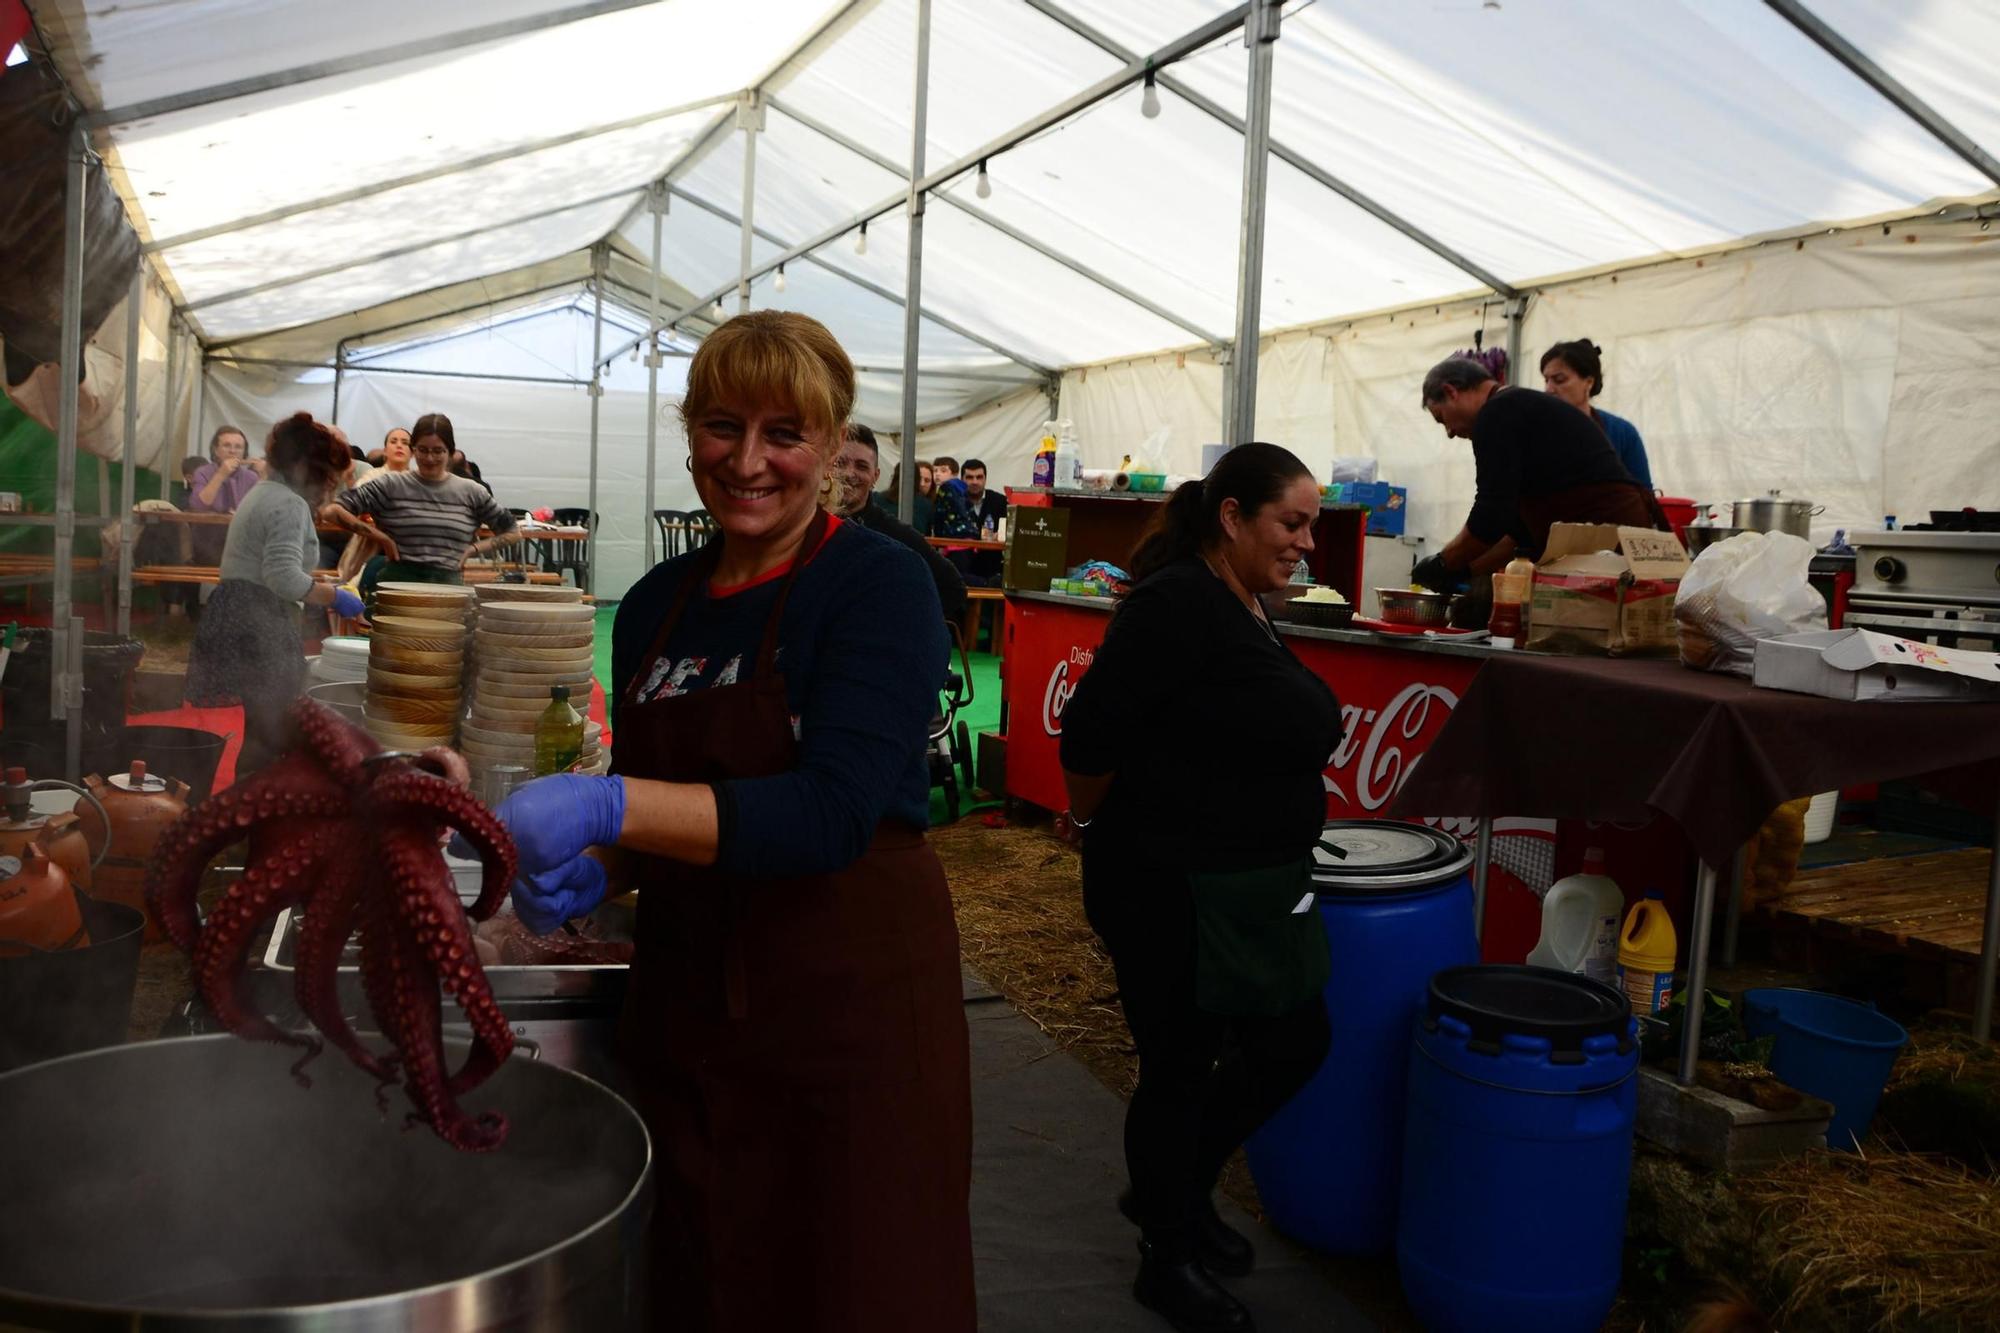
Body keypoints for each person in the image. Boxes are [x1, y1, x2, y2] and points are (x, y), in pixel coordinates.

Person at [474, 311, 973, 1331]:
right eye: (719, 426)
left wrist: (609, 802)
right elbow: (688, 797)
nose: (747, 462)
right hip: (688, 1005)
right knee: (698, 1278)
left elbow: (832, 811)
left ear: (832, 449)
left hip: (844, 1012)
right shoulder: (659, 600)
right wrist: (605, 863)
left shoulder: (878, 586)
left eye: (783, 434)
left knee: (848, 1284)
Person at [1058, 443, 1343, 1333]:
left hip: (1242, 887)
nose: (1305, 543)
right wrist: (1108, 832)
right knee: (1180, 1064)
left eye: (1311, 526)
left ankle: (1168, 1194)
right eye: (1290, 523)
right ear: (1232, 516)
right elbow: (1088, 743)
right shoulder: (1179, 601)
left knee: (1294, 1040)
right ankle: (1166, 1256)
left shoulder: (1243, 601)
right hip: (1169, 884)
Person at [185, 413, 366, 774]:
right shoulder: (288, 503)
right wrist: (334, 597)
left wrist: (318, 586)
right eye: (328, 474)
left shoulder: (264, 492)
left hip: (238, 610)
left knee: (259, 728)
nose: (331, 485)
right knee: (268, 732)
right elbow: (282, 577)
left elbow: (276, 565)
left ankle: (242, 807)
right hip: (257, 619)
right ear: (304, 467)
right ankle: (252, 812)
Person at [1412, 355, 1666, 591]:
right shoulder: (1519, 404)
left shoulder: (1496, 413)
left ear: (1450, 391)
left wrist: (1442, 562)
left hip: (1603, 546)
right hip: (1619, 539)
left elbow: (1491, 514)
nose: (1449, 432)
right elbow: (1516, 533)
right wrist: (1464, 572)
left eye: (1441, 418)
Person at [324, 412, 520, 597]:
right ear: (413, 450)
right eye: (423, 450)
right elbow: (332, 511)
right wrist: (380, 537)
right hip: (396, 589)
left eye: (438, 451)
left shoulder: (471, 491)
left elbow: (513, 532)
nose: (429, 458)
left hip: (447, 593)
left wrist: (471, 550)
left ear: (450, 452)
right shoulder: (391, 484)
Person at [835, 424, 967, 624]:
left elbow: (952, 588)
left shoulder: (894, 533)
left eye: (861, 466)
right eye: (840, 463)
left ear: (875, 477)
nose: (849, 473)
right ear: (827, 465)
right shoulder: (803, 523)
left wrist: (901, 627)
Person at [1540, 338, 1652, 489]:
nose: (1549, 389)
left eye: (1559, 380)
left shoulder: (1621, 433)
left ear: (1589, 382)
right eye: (1546, 380)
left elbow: (1643, 495)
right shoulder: (1536, 432)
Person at [187, 425, 263, 565]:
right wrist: (221, 474)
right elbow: (198, 505)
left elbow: (263, 510)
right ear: (216, 450)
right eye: (227, 446)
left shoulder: (251, 477)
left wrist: (264, 475)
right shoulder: (202, 472)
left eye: (238, 447)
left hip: (242, 546)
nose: (233, 451)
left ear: (244, 452)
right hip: (208, 545)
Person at [958, 457, 1008, 581]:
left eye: (979, 477)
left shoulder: (1000, 501)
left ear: (985, 479)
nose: (975, 482)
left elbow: (1009, 529)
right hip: (962, 569)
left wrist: (1000, 535)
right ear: (962, 479)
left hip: (992, 568)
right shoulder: (955, 502)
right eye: (969, 477)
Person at [880, 459, 935, 536]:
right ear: (917, 479)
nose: (922, 484)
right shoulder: (926, 505)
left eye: (927, 480)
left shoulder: (875, 498)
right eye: (920, 479)